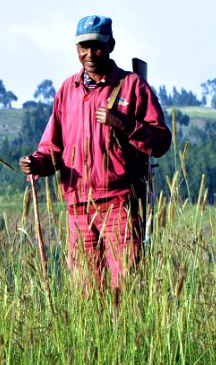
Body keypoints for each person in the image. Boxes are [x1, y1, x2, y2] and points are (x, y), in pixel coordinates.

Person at [19, 15, 171, 290]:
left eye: (97, 46)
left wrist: (125, 124)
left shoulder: (133, 86)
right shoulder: (67, 90)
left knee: (124, 289)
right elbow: (52, 148)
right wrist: (36, 163)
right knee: (85, 293)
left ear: (111, 45)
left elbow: (161, 142)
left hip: (120, 205)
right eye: (83, 47)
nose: (89, 54)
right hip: (78, 208)